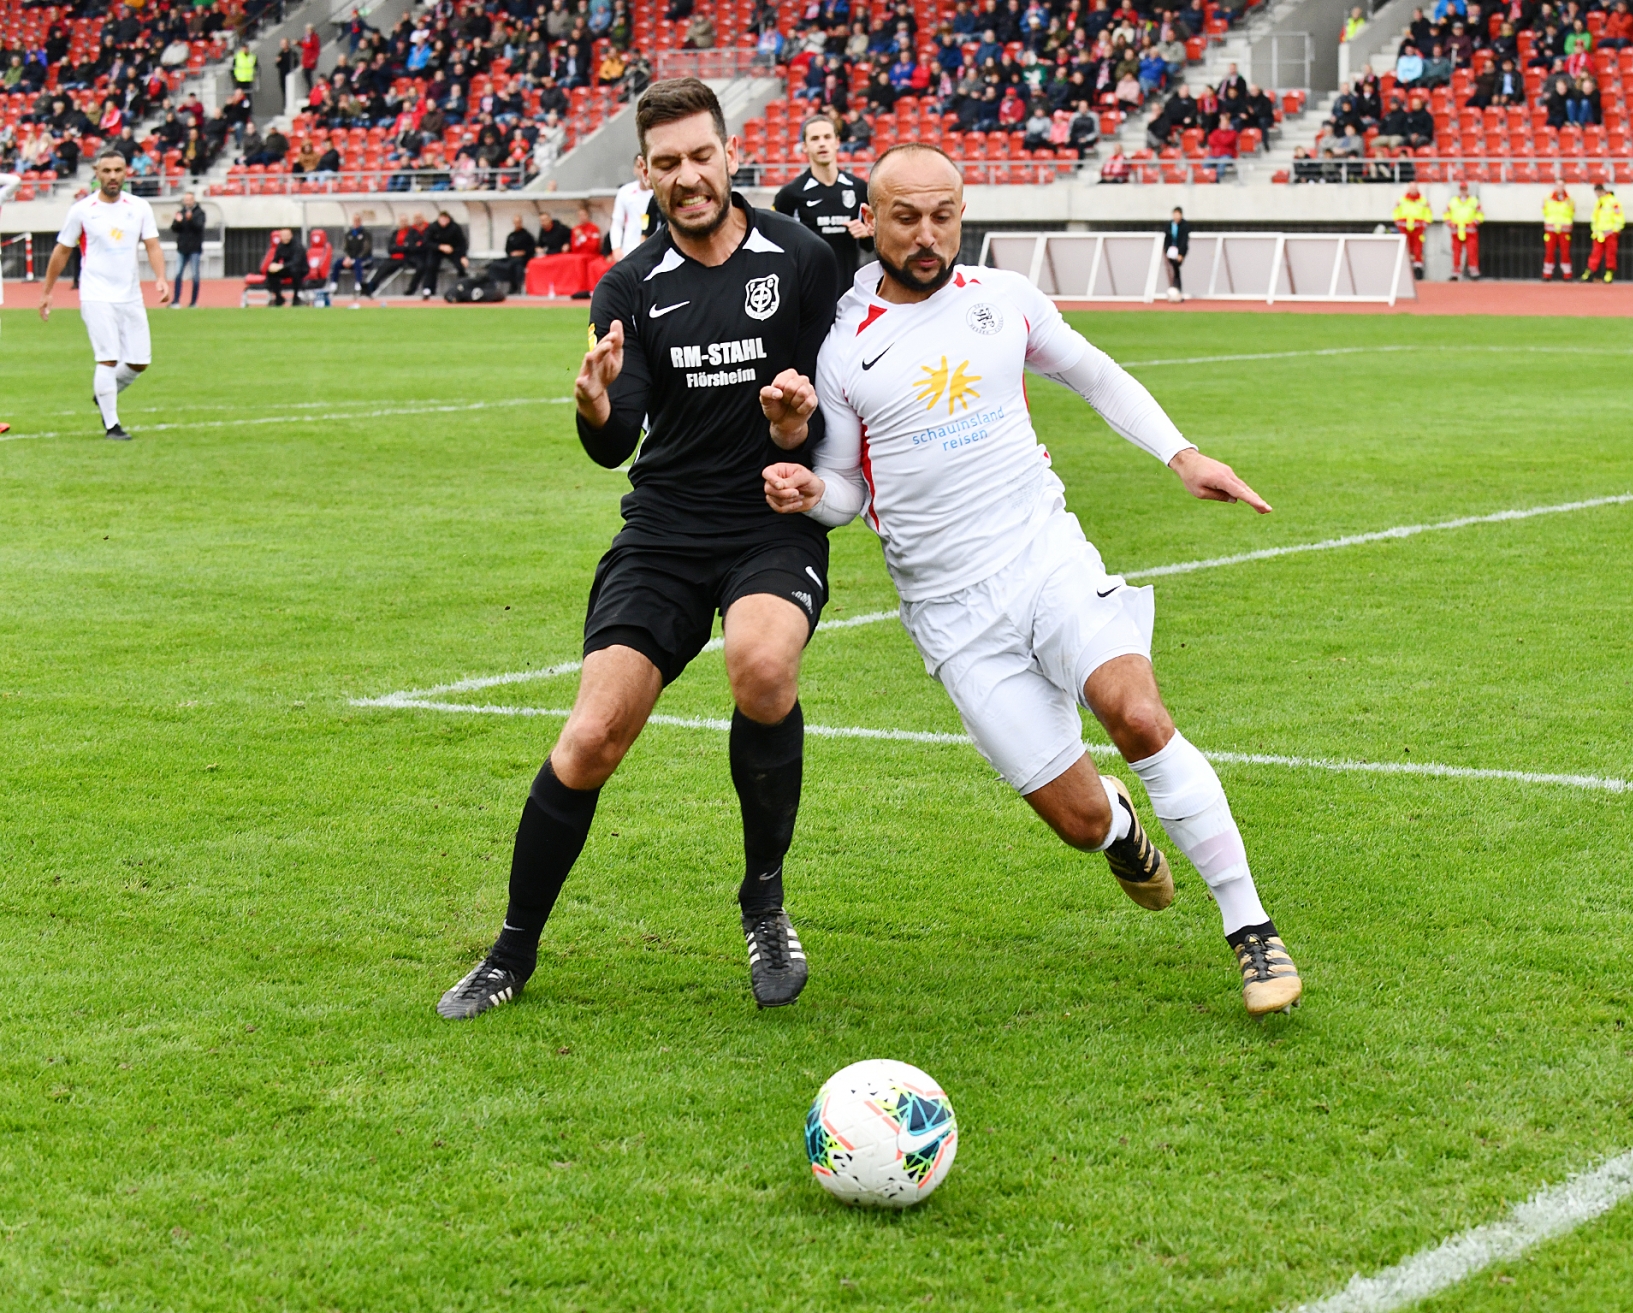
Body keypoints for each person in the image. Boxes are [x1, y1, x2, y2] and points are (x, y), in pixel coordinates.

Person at [760, 144, 1302, 1018]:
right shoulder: (842, 348)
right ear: (870, 220)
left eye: (945, 215)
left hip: (1046, 556)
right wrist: (811, 490)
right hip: (948, 612)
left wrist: (1182, 452)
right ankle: (1124, 830)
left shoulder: (1003, 301)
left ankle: (1250, 928)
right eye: (907, 217)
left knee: (1138, 715)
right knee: (1082, 824)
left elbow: (1091, 372)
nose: (929, 235)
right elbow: (849, 491)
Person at [435, 78, 841, 1022]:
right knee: (590, 737)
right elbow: (617, 441)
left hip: (770, 520)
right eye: (668, 163)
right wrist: (593, 405)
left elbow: (840, 416)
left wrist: (793, 437)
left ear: (729, 154)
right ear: (645, 173)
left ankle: (764, 899)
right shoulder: (630, 285)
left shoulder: (807, 258)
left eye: (702, 156)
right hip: (663, 531)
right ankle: (512, 950)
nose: (688, 176)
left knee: (762, 664)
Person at [37, 152, 169, 441]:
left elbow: (153, 246)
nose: (112, 176)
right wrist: (47, 292)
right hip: (96, 294)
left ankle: (104, 393)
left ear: (126, 173)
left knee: (139, 361)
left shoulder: (140, 207)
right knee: (107, 358)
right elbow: (62, 250)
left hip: (131, 295)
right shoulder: (83, 210)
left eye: (118, 170)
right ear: (97, 172)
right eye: (106, 170)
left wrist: (160, 278)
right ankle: (112, 426)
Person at [772, 113, 875, 295]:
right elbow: (777, 248)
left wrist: (867, 234)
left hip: (850, 294)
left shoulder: (859, 188)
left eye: (827, 137)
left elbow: (871, 245)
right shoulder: (790, 194)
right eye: (814, 138)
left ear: (836, 142)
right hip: (809, 295)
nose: (822, 143)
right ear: (804, 146)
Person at [608, 150, 658, 259]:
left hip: (655, 248)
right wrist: (616, 247)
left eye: (645, 166)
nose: (642, 171)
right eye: (638, 167)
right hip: (630, 249)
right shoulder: (625, 192)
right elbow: (617, 222)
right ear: (634, 170)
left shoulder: (658, 192)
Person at [417, 210, 468, 298]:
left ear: (448, 219)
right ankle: (428, 290)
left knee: (460, 266)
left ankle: (463, 288)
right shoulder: (433, 227)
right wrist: (440, 246)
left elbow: (462, 243)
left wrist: (463, 256)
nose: (443, 222)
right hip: (436, 250)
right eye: (441, 219)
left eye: (445, 219)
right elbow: (426, 242)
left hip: (452, 250)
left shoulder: (455, 227)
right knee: (430, 265)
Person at [169, 191, 205, 308]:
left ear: (193, 200)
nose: (188, 202)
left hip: (194, 248)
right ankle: (176, 301)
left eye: (190, 199)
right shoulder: (181, 213)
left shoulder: (200, 213)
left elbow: (199, 227)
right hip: (182, 248)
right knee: (178, 274)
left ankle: (193, 302)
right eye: (186, 199)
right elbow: (174, 228)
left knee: (195, 276)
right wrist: (178, 222)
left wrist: (191, 220)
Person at [1582, 182, 1624, 283]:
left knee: (1610, 254)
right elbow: (1594, 218)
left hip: (1610, 232)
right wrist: (1595, 230)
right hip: (1599, 233)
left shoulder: (1613, 201)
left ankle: (1609, 273)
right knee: (1595, 253)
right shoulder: (1599, 202)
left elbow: (1619, 217)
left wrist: (1615, 230)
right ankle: (1590, 271)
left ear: (1601, 191)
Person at [1444, 182, 1483, 280]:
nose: (1463, 191)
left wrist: (1474, 223)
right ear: (1459, 190)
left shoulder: (1474, 201)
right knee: (1456, 252)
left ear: (1467, 190)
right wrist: (1450, 224)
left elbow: (1480, 214)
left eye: (1465, 189)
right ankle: (1455, 273)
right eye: (1462, 189)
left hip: (1470, 231)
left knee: (1472, 252)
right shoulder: (1453, 201)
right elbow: (1446, 214)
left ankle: (1474, 272)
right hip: (1456, 231)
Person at [1393, 183, 1432, 278]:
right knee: (1405, 249)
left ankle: (1418, 271)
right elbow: (1396, 212)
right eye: (1411, 188)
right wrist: (1399, 223)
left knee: (1418, 250)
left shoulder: (1423, 201)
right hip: (1404, 229)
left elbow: (1428, 213)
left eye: (1414, 188)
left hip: (1418, 230)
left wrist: (1424, 224)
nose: (1413, 190)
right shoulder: (1402, 200)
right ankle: (1405, 271)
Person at [1542, 182, 1575, 281]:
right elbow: (1545, 211)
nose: (1559, 187)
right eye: (1558, 185)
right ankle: (1547, 274)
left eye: (1561, 185)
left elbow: (1571, 212)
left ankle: (1567, 274)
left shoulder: (1569, 200)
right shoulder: (1548, 198)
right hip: (1551, 229)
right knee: (1549, 252)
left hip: (1564, 229)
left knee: (1565, 252)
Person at [263, 227, 303, 305]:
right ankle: (278, 297)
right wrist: (273, 266)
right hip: (287, 268)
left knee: (295, 271)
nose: (285, 237)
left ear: (291, 235)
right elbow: (276, 259)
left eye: (286, 235)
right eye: (283, 235)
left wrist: (281, 266)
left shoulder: (297, 246)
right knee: (271, 272)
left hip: (300, 268)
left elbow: (296, 261)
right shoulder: (280, 246)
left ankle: (296, 298)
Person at [336, 213, 374, 296]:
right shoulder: (349, 234)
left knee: (357, 262)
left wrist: (355, 259)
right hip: (350, 259)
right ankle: (333, 285)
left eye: (358, 220)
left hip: (364, 259)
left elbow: (366, 249)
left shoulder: (366, 234)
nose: (356, 222)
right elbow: (345, 248)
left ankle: (358, 285)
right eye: (355, 220)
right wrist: (347, 257)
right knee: (337, 263)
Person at [503, 213, 538, 291]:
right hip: (512, 258)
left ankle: (517, 286)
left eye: (518, 222)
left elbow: (532, 248)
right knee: (499, 264)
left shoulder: (527, 235)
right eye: (515, 222)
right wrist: (511, 253)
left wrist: (523, 252)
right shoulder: (511, 235)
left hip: (523, 259)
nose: (517, 224)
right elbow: (507, 249)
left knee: (517, 265)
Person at [1163, 205, 1190, 302]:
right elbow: (1167, 239)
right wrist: (1166, 251)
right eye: (1175, 214)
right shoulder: (1169, 225)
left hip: (1179, 251)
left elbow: (1184, 240)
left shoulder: (1184, 225)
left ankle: (1177, 289)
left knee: (1176, 269)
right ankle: (1175, 290)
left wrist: (1181, 254)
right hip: (1171, 251)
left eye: (1178, 214)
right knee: (1174, 270)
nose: (1176, 216)